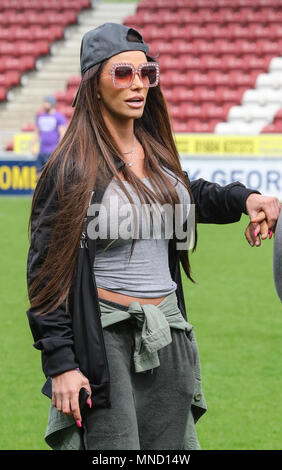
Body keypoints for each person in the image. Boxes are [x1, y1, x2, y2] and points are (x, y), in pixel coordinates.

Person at [26, 23, 281, 451]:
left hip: (170, 333)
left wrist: (245, 199)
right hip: (105, 343)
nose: (138, 84)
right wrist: (61, 365)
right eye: (122, 73)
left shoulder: (158, 150)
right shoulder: (69, 168)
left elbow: (187, 194)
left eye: (147, 74)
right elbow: (45, 277)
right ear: (93, 83)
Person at [32, 95, 67, 178]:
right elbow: (37, 132)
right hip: (42, 151)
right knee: (39, 176)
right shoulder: (40, 116)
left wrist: (59, 149)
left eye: (46, 102)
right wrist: (33, 145)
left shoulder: (59, 117)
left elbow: (62, 134)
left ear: (52, 103)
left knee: (52, 177)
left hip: (53, 152)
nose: (44, 104)